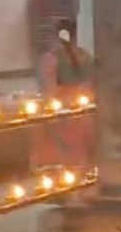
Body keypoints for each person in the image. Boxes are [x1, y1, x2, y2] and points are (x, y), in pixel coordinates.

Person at [34, 19, 95, 166]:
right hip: (76, 106)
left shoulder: (54, 58)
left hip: (71, 107)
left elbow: (48, 86)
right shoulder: (82, 56)